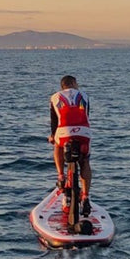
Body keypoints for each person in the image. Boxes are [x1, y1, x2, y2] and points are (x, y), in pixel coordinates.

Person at [49, 75, 91, 212]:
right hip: (83, 133)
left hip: (63, 133)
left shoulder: (55, 97)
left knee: (57, 145)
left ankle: (61, 175)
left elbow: (54, 122)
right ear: (73, 83)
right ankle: (85, 196)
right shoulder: (84, 95)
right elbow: (86, 115)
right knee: (84, 161)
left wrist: (52, 136)